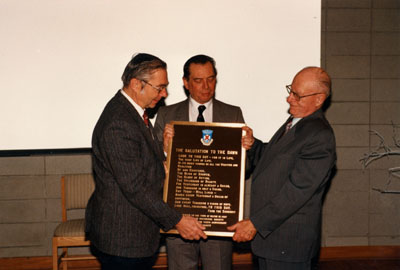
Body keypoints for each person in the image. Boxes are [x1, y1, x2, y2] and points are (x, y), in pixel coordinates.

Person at [85, 53, 207, 270]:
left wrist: (166, 154)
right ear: (135, 84)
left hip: (133, 235)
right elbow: (135, 188)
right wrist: (177, 220)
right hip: (123, 238)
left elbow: (141, 164)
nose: (165, 94)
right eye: (159, 88)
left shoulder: (134, 114)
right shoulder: (119, 123)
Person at [228, 67, 336, 270]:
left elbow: (296, 192)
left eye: (297, 95)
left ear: (319, 99)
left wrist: (255, 223)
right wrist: (252, 145)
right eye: (290, 90)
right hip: (272, 241)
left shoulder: (320, 136)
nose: (289, 99)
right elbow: (273, 159)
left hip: (288, 242)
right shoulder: (296, 122)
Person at [154, 54, 252, 270]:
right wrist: (165, 148)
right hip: (179, 213)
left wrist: (248, 149)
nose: (206, 86)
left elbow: (243, 169)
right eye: (198, 80)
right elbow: (152, 167)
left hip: (218, 214)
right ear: (186, 83)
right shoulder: (166, 114)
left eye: (211, 79)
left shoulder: (233, 114)